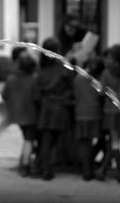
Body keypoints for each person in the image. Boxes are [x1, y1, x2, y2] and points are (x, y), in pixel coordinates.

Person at [33, 37, 74, 180]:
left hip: (45, 107)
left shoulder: (40, 69)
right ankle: (43, 168)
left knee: (47, 140)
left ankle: (42, 167)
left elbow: (36, 92)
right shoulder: (63, 67)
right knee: (52, 140)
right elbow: (71, 85)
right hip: (60, 108)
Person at [95, 44, 120, 183]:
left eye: (110, 57)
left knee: (114, 141)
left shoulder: (107, 72)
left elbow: (101, 91)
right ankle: (105, 170)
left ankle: (118, 172)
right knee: (115, 141)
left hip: (111, 110)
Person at [1, 47, 38, 177]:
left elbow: (4, 95)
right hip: (30, 115)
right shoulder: (33, 79)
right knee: (29, 139)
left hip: (17, 115)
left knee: (27, 138)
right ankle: (26, 165)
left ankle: (23, 162)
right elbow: (37, 97)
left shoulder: (11, 78)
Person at [73, 56, 105, 181]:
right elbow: (101, 95)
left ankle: (86, 170)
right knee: (92, 141)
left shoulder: (78, 79)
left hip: (81, 114)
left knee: (84, 143)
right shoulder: (98, 81)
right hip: (95, 114)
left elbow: (75, 95)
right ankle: (90, 167)